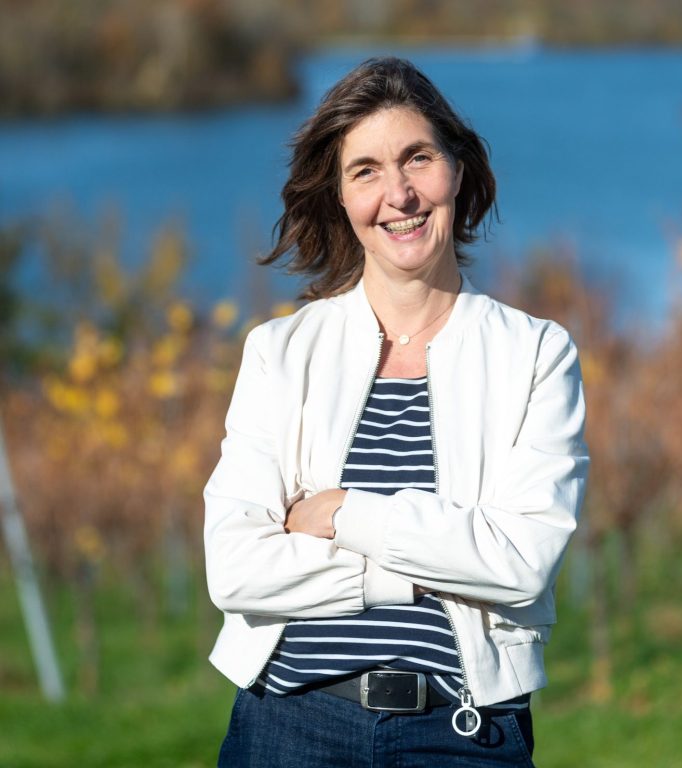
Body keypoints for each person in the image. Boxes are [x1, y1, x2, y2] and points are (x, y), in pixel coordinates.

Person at [204, 56, 589, 767]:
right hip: (288, 725)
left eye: (418, 159)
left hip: (462, 732)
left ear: (458, 171)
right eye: (366, 171)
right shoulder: (280, 353)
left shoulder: (535, 353)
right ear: (340, 197)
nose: (399, 194)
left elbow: (520, 564)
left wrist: (343, 513)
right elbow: (234, 568)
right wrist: (421, 569)